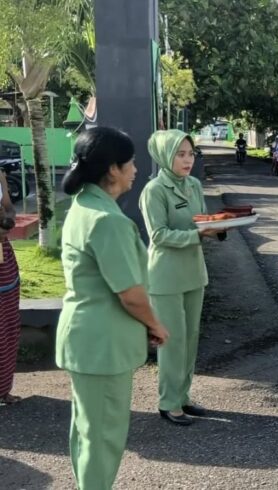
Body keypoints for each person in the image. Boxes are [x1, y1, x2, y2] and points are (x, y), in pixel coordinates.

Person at [56, 127, 170, 490]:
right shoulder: (108, 221)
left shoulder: (85, 205)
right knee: (103, 437)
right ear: (112, 170)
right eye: (130, 163)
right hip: (102, 344)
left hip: (86, 338)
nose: (136, 170)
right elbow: (130, 294)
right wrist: (155, 324)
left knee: (88, 431)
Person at [140, 129, 219, 426]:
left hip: (194, 272)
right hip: (166, 276)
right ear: (164, 156)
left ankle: (183, 396)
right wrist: (197, 235)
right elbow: (158, 235)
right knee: (172, 341)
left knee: (191, 338)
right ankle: (168, 402)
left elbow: (201, 221)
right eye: (180, 154)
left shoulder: (194, 185)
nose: (188, 160)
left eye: (191, 154)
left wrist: (219, 226)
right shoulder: (154, 190)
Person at [0, 169, 20, 406]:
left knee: (6, 322)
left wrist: (8, 221)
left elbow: (9, 208)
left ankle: (3, 389)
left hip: (3, 257)